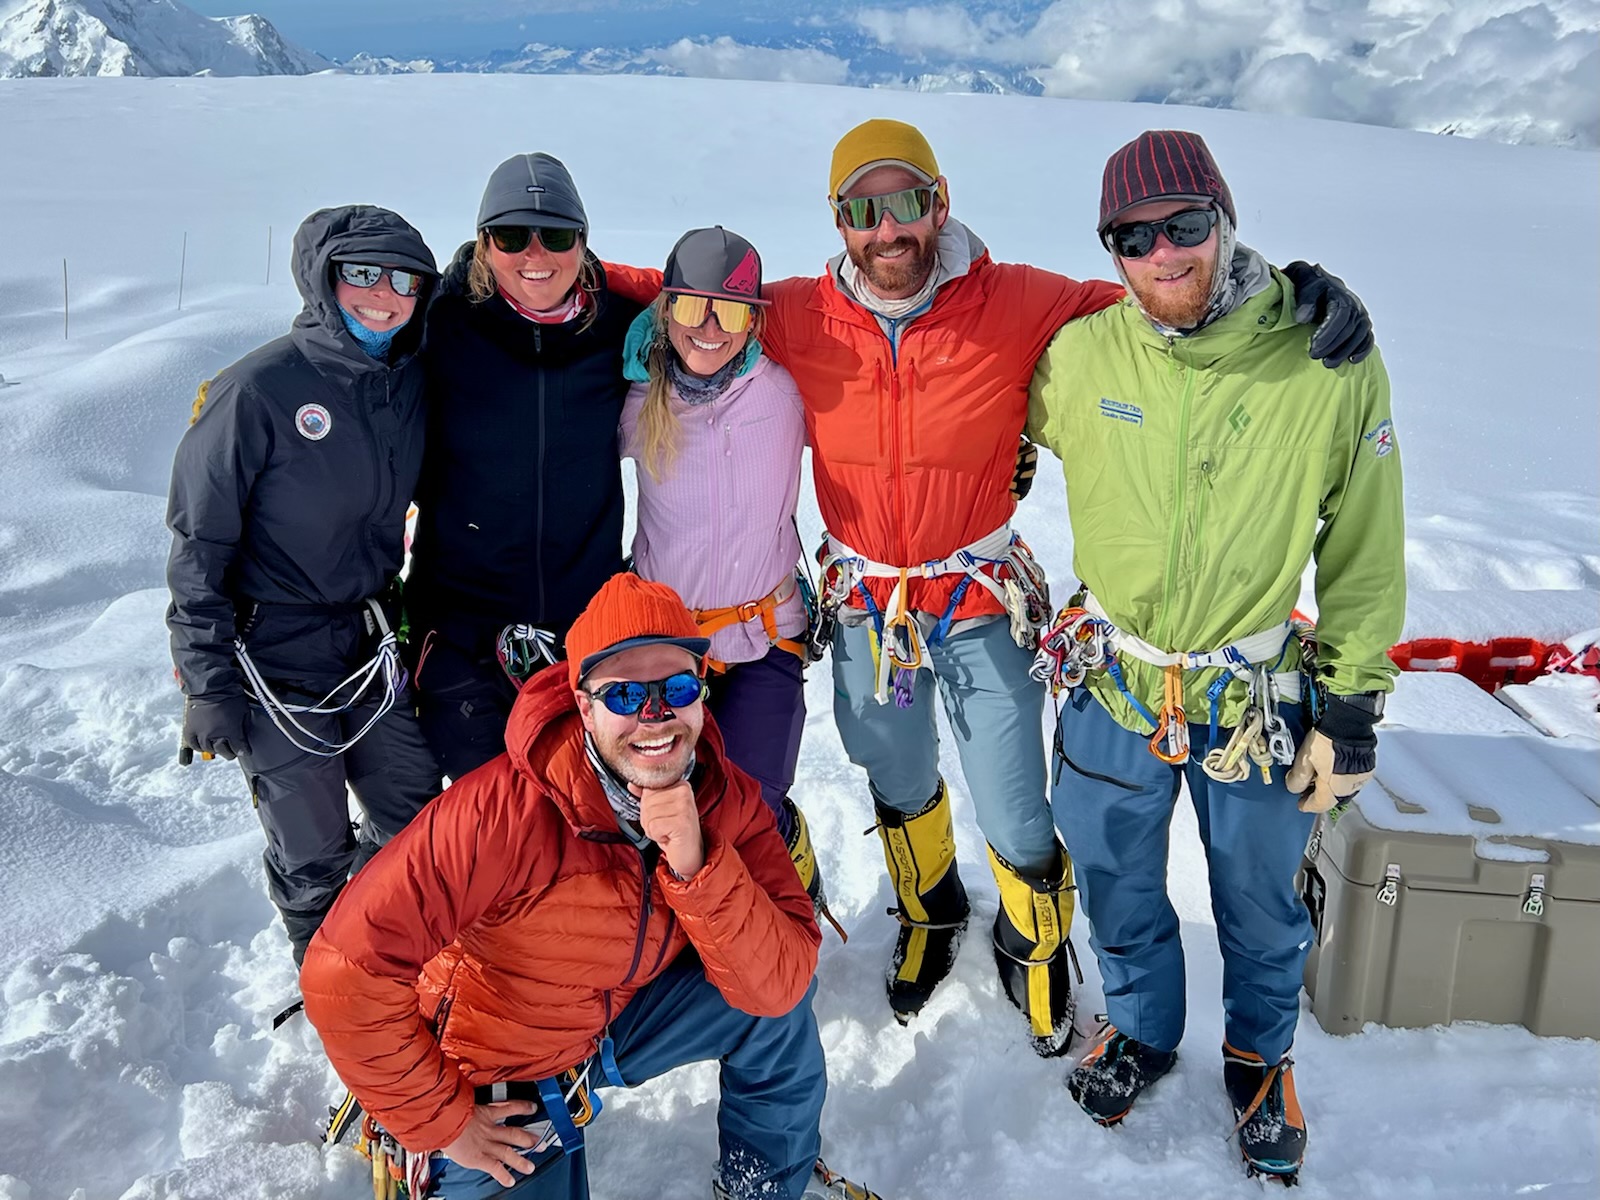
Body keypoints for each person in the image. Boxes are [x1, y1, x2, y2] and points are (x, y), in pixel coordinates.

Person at [606, 119, 1371, 1058]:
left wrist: (1292, 293)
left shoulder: (1016, 300)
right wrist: (551, 273)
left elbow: (1163, 297)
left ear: (941, 201)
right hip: (860, 605)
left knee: (1013, 796)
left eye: (905, 204)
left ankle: (1035, 942)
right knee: (892, 769)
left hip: (975, 596)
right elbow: (677, 293)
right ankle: (930, 912)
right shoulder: (795, 313)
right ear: (839, 221)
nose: (887, 231)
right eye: (863, 211)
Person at [1027, 129, 1403, 1182]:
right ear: (1110, 250)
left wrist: (1353, 700)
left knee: (1257, 892)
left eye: (1184, 225)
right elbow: (955, 357)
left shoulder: (1322, 360)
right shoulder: (1080, 354)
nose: (1162, 253)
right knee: (1114, 876)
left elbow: (1366, 538)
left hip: (1254, 693)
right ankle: (1142, 1032)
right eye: (1131, 236)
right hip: (1117, 678)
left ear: (1223, 220)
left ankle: (1258, 1056)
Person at [300, 573, 881, 1200]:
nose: (655, 716)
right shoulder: (499, 814)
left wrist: (697, 861)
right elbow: (344, 969)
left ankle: (764, 1186)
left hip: (613, 1022)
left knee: (775, 1015)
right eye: (625, 694)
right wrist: (443, 1121)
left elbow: (783, 978)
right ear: (582, 705)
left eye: (678, 687)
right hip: (496, 1072)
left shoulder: (722, 796)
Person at [165, 205, 443, 965]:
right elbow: (199, 547)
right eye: (361, 273)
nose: (383, 294)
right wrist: (206, 682)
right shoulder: (256, 389)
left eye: (404, 279)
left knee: (417, 817)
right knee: (311, 847)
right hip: (274, 655)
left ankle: (400, 952)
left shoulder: (411, 383)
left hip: (369, 640)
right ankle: (335, 987)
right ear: (323, 279)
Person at [406, 153, 646, 782]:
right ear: (484, 243)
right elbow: (351, 359)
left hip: (583, 628)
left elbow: (708, 317)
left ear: (583, 245)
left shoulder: (621, 329)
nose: (535, 253)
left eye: (557, 235)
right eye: (511, 235)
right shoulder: (439, 325)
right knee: (482, 814)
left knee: (582, 811)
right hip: (461, 630)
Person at [619, 225, 833, 918]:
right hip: (666, 647)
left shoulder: (786, 393)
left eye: (731, 311)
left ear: (756, 320)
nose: (708, 329)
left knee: (753, 805)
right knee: (663, 812)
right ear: (665, 310)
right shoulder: (637, 400)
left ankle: (784, 869)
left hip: (767, 637)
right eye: (690, 308)